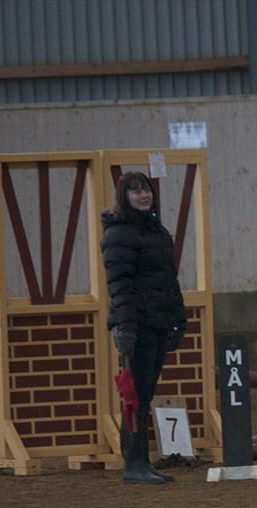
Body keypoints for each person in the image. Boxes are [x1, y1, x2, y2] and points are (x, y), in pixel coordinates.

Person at [102, 171, 186, 484]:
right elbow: (119, 285)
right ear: (125, 197)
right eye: (136, 191)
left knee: (145, 394)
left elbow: (169, 280)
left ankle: (142, 461)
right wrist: (125, 326)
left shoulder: (157, 232)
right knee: (133, 397)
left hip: (157, 322)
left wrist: (179, 318)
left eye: (146, 190)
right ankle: (132, 463)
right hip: (136, 324)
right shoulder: (119, 234)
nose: (143, 195)